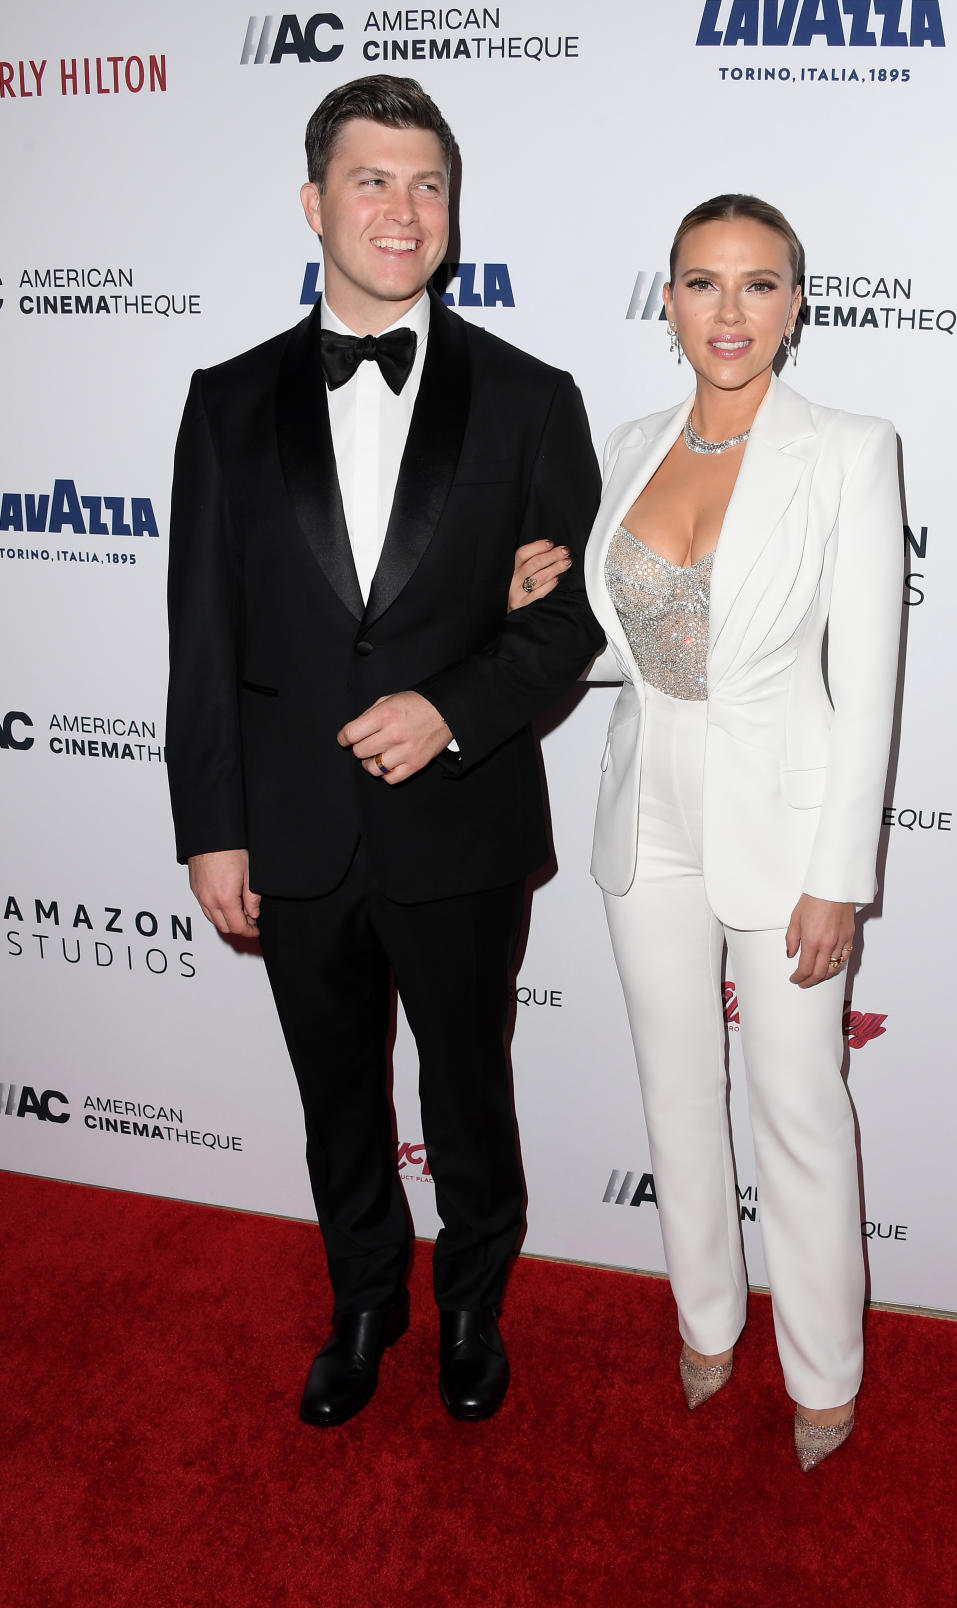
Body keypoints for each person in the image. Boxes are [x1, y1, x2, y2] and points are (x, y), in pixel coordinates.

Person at [165, 75, 603, 1429]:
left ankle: (471, 1301)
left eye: (426, 185)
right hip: (289, 826)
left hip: (460, 817)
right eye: (370, 180)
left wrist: (450, 707)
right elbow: (202, 627)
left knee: (468, 1087)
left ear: (452, 207)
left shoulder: (530, 398)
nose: (401, 211)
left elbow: (572, 616)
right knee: (334, 1089)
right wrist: (210, 823)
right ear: (314, 201)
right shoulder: (227, 402)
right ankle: (363, 1300)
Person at [514, 195, 903, 1470]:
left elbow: (868, 683)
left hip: (784, 829)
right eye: (701, 283)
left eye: (759, 285)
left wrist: (838, 876)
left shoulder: (848, 448)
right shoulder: (628, 444)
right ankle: (706, 1320)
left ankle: (825, 1371)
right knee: (677, 1092)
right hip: (648, 810)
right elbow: (635, 656)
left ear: (797, 305)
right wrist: (541, 599)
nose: (728, 312)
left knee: (797, 1101)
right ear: (668, 300)